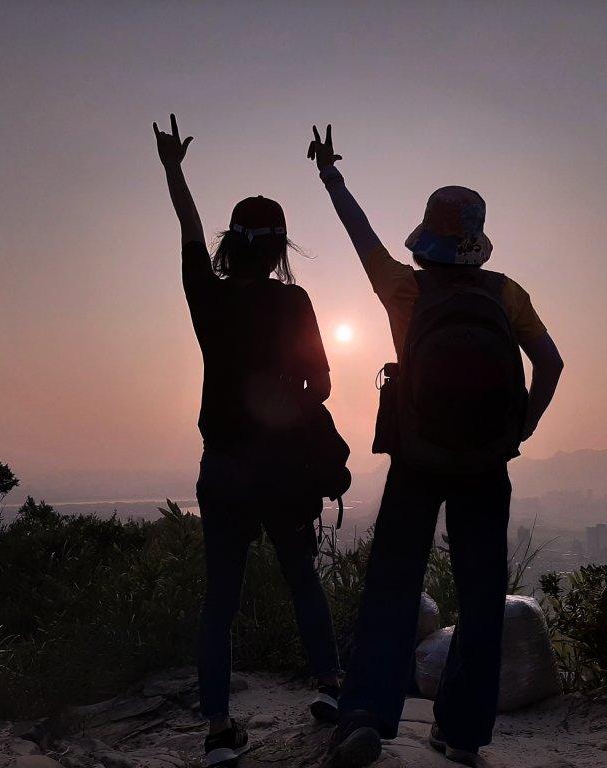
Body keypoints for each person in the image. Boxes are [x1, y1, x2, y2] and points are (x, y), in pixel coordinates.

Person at [306, 125, 564, 768]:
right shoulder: (506, 292)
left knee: (392, 584)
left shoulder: (404, 288)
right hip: (486, 463)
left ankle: (366, 713)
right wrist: (521, 429)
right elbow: (552, 363)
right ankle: (463, 732)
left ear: (427, 235)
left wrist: (330, 176)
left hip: (418, 458)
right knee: (481, 597)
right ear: (476, 240)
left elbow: (359, 235)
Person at [153, 114, 343, 768]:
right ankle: (334, 691)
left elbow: (187, 230)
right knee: (302, 583)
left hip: (224, 470)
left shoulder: (207, 295)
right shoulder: (295, 305)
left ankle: (218, 731)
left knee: (221, 601)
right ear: (280, 248)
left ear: (232, 246)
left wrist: (174, 170)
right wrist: (287, 400)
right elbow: (321, 385)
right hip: (284, 472)